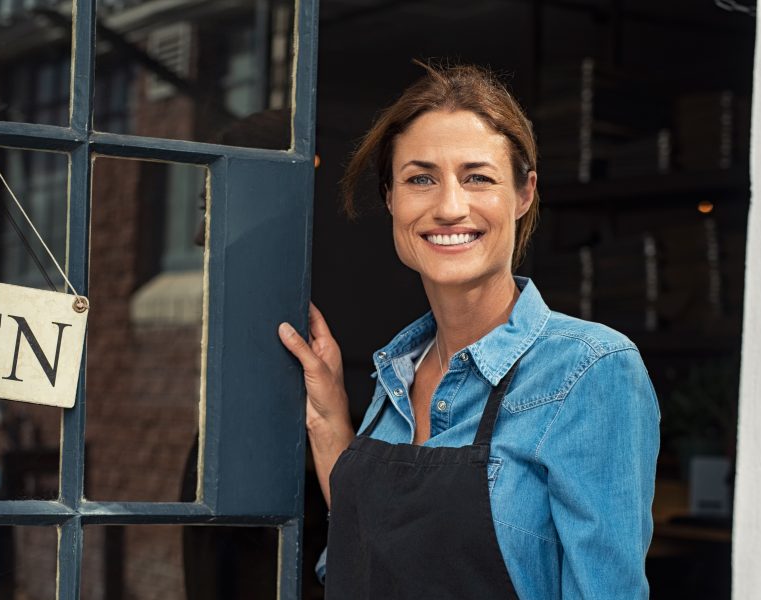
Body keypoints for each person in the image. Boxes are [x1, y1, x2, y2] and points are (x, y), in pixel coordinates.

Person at [278, 62, 660, 599]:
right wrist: (328, 419)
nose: (449, 207)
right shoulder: (396, 374)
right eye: (420, 179)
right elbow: (371, 556)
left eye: (477, 177)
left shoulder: (588, 371)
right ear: (391, 198)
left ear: (524, 193)